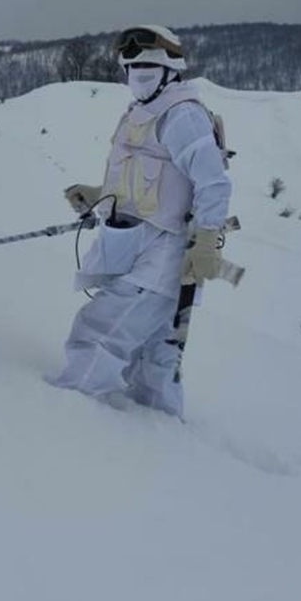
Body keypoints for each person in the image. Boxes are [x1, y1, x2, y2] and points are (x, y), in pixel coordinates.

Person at [47, 24, 232, 418]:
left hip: (166, 255)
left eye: (147, 65)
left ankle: (63, 413)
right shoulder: (140, 113)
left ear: (170, 69)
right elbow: (152, 182)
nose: (137, 73)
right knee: (153, 359)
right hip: (137, 246)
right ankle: (159, 436)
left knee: (100, 332)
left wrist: (206, 241)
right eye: (130, 67)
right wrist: (99, 195)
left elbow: (214, 184)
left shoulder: (182, 115)